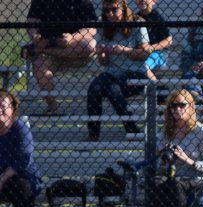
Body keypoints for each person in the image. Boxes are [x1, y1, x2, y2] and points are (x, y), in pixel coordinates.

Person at [146, 89, 203, 207]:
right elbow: (161, 164)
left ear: (191, 107)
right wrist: (164, 156)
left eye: (182, 105)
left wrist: (188, 160)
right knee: (155, 183)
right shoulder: (167, 132)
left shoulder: (201, 132)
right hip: (172, 175)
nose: (177, 109)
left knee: (175, 184)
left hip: (197, 179)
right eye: (173, 105)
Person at [85, 0, 151, 141]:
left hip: (136, 73)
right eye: (106, 10)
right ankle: (93, 133)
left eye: (114, 9)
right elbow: (103, 63)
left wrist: (125, 51)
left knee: (113, 90)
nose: (109, 14)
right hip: (112, 72)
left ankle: (132, 129)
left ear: (123, 7)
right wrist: (102, 53)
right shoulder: (103, 23)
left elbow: (145, 53)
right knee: (94, 88)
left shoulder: (137, 22)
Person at [23, 0, 97, 114]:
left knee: (89, 46)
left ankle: (38, 49)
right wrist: (35, 36)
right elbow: (32, 22)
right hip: (50, 49)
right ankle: (53, 109)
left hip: (75, 49)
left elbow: (91, 28)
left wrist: (72, 38)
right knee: (39, 64)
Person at [0, 89, 42, 207]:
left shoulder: (20, 128)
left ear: (13, 109)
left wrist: (2, 179)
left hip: (21, 180)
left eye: (3, 106)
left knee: (19, 185)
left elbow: (22, 160)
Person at [134, 0, 173, 81]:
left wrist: (151, 48)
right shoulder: (135, 17)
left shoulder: (157, 17)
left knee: (143, 65)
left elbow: (169, 40)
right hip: (141, 51)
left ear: (154, 1)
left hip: (159, 52)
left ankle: (154, 83)